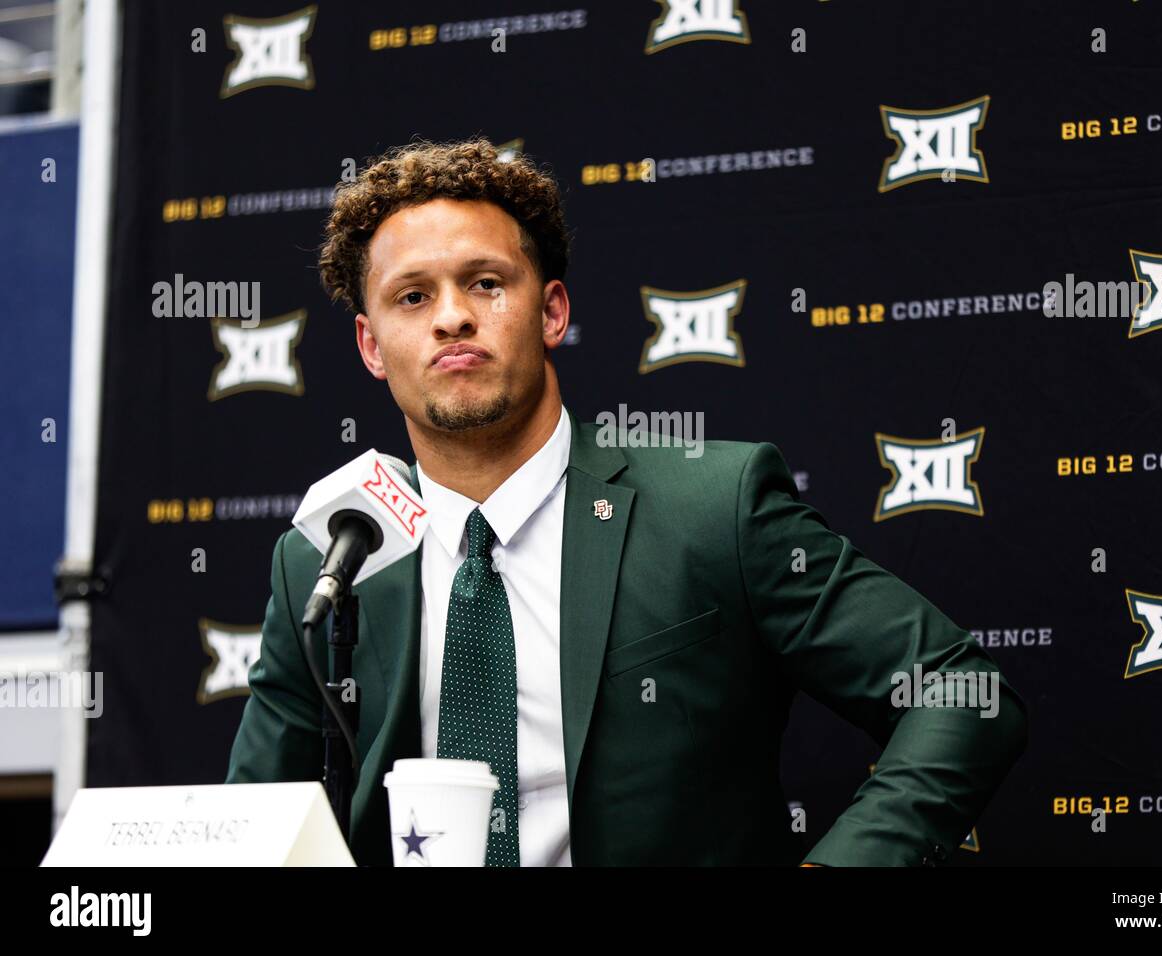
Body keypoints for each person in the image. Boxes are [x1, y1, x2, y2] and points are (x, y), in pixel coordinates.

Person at [225, 136, 1028, 866]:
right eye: (411, 297)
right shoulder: (330, 557)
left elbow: (963, 696)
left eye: (485, 283)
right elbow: (256, 827)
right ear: (371, 346)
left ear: (552, 312)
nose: (453, 317)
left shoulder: (717, 506)